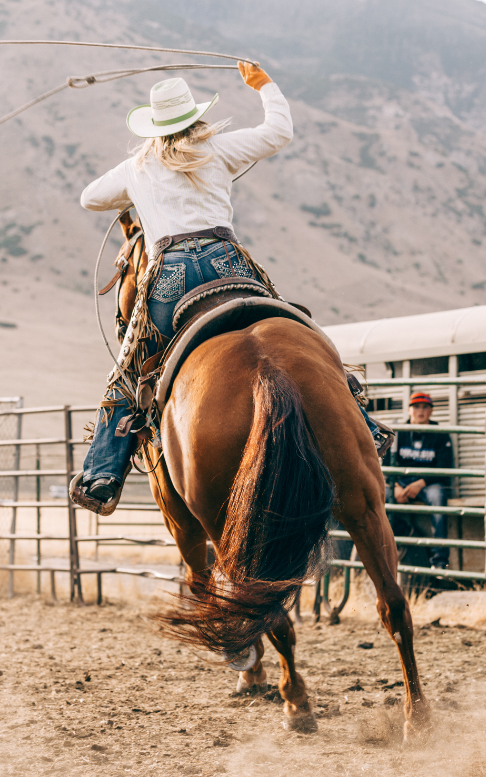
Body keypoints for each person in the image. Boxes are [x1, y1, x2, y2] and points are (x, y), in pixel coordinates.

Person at [73, 62, 388, 513]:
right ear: (196, 118)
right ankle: (362, 424)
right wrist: (264, 85)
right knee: (304, 333)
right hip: (228, 263)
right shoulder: (220, 149)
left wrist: (137, 186)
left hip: (170, 275)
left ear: (154, 127)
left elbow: (89, 197)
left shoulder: (137, 166)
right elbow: (280, 132)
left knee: (127, 373)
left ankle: (102, 473)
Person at [385, 392, 454, 569]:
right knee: (376, 496)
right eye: (416, 406)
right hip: (401, 483)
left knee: (439, 499)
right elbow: (385, 464)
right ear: (409, 410)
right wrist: (395, 486)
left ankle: (439, 561)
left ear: (431, 411)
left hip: (428, 484)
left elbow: (445, 467)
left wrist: (420, 483)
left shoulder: (440, 433)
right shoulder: (398, 432)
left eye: (425, 407)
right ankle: (399, 536)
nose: (420, 411)